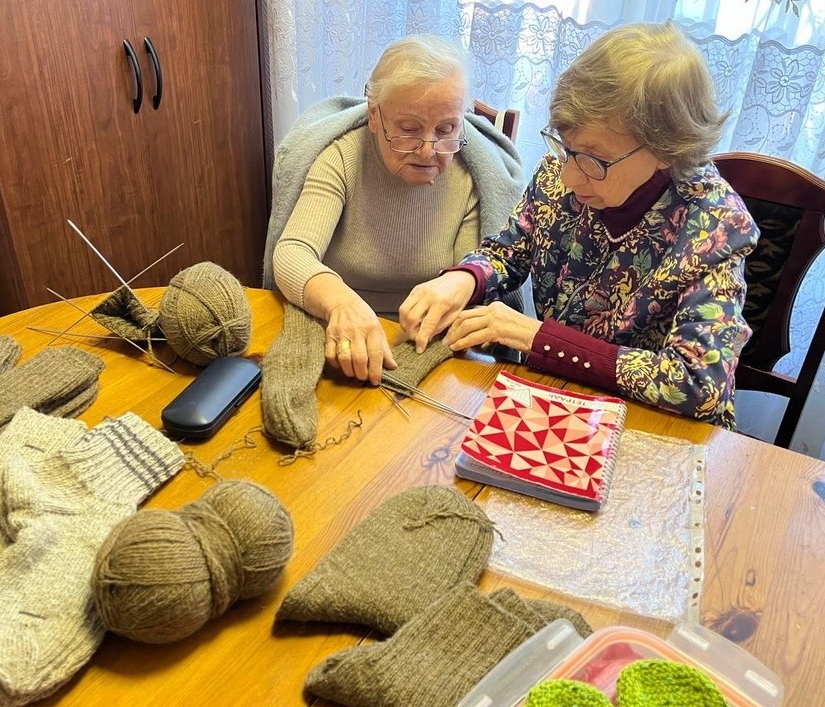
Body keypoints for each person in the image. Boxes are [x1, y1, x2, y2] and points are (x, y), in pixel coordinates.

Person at [399, 22, 757, 429]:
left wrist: (537, 338)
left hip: (647, 431)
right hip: (552, 400)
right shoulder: (562, 170)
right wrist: (464, 280)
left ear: (666, 150)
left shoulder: (715, 225)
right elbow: (511, 250)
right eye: (566, 147)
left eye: (594, 159)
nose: (569, 175)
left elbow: (698, 385)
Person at [264, 34, 524, 385]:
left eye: (446, 129)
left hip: (424, 344)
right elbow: (293, 253)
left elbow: (470, 276)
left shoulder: (473, 173)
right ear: (374, 116)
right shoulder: (341, 156)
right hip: (335, 331)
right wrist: (340, 302)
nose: (428, 151)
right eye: (409, 129)